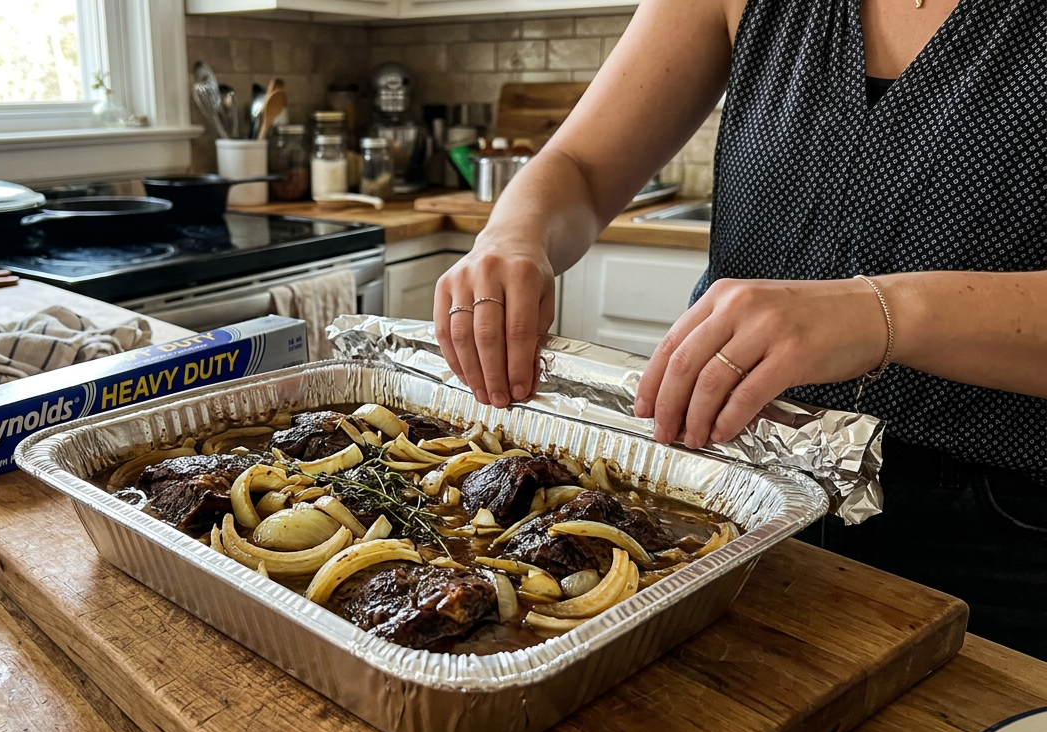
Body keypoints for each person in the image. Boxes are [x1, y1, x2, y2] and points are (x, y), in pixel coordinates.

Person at [433, 0, 1047, 660]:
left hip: (1005, 527)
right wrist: (513, 234)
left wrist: (883, 313)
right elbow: (581, 165)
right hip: (722, 484)